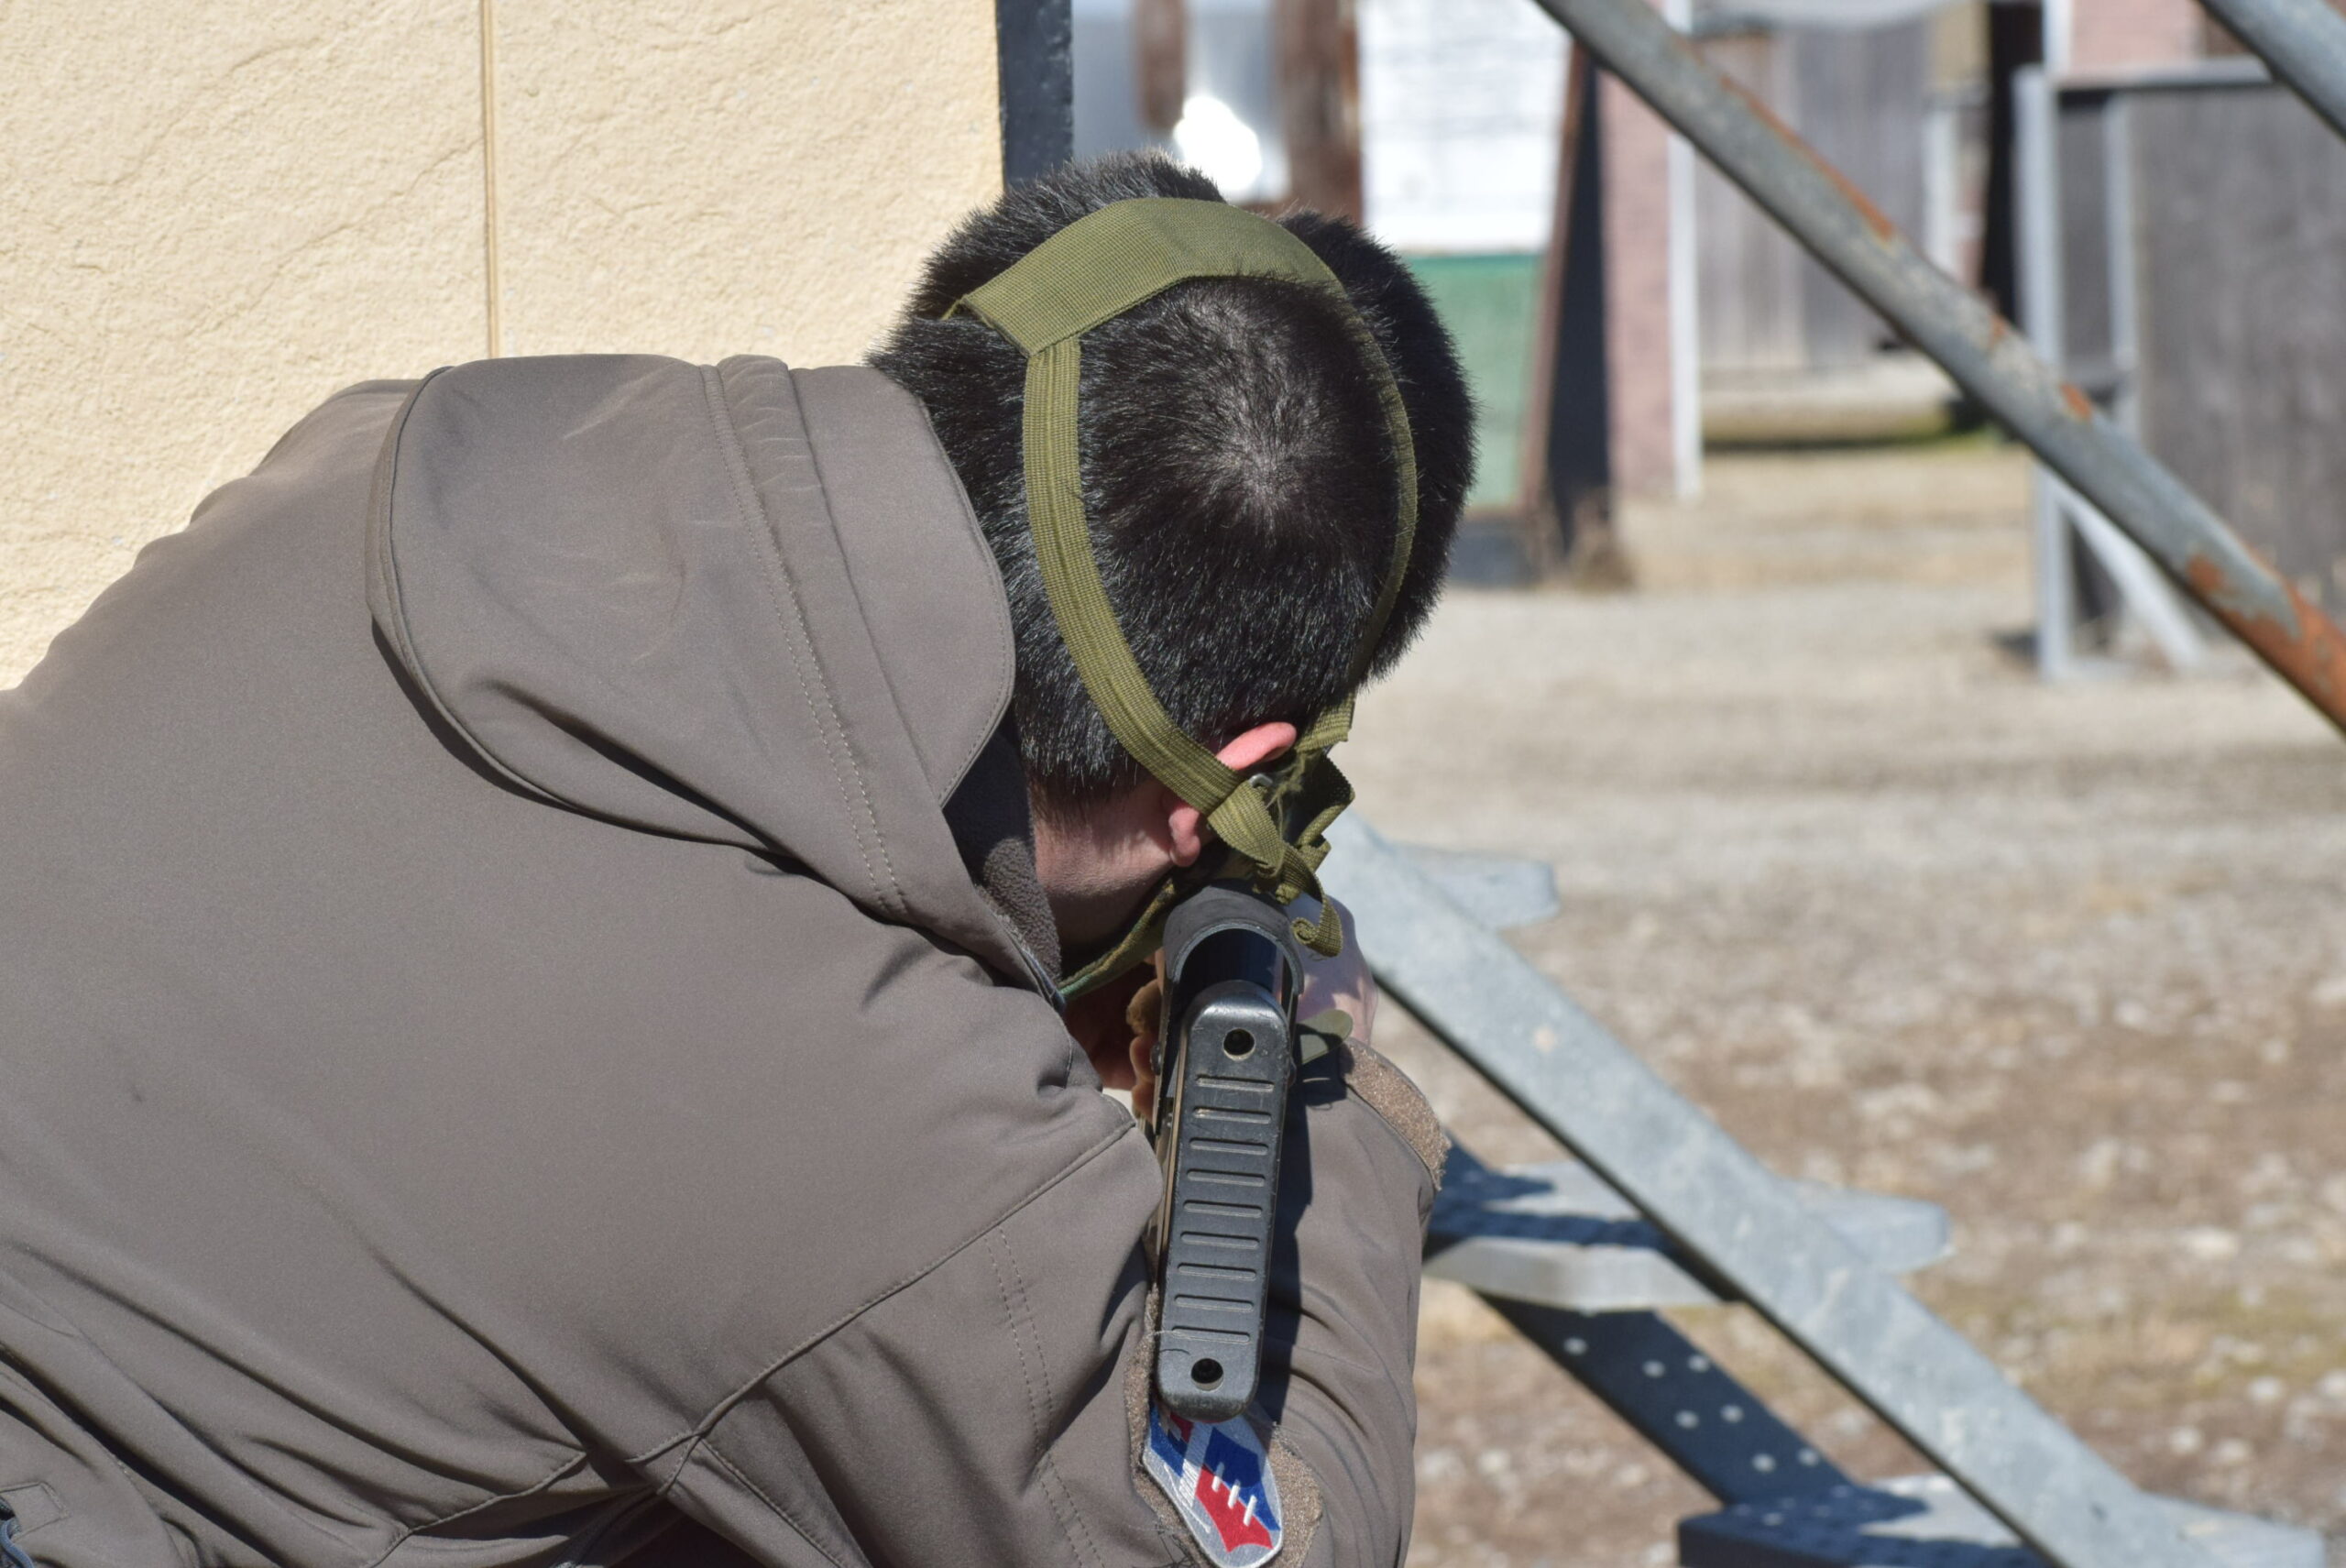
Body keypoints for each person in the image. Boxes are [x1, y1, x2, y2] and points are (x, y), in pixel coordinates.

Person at [0, 152, 1473, 1567]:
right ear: (1221, 785)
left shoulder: (405, 446)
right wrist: (1321, 1087)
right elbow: (1239, 1545)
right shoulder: (874, 1126)